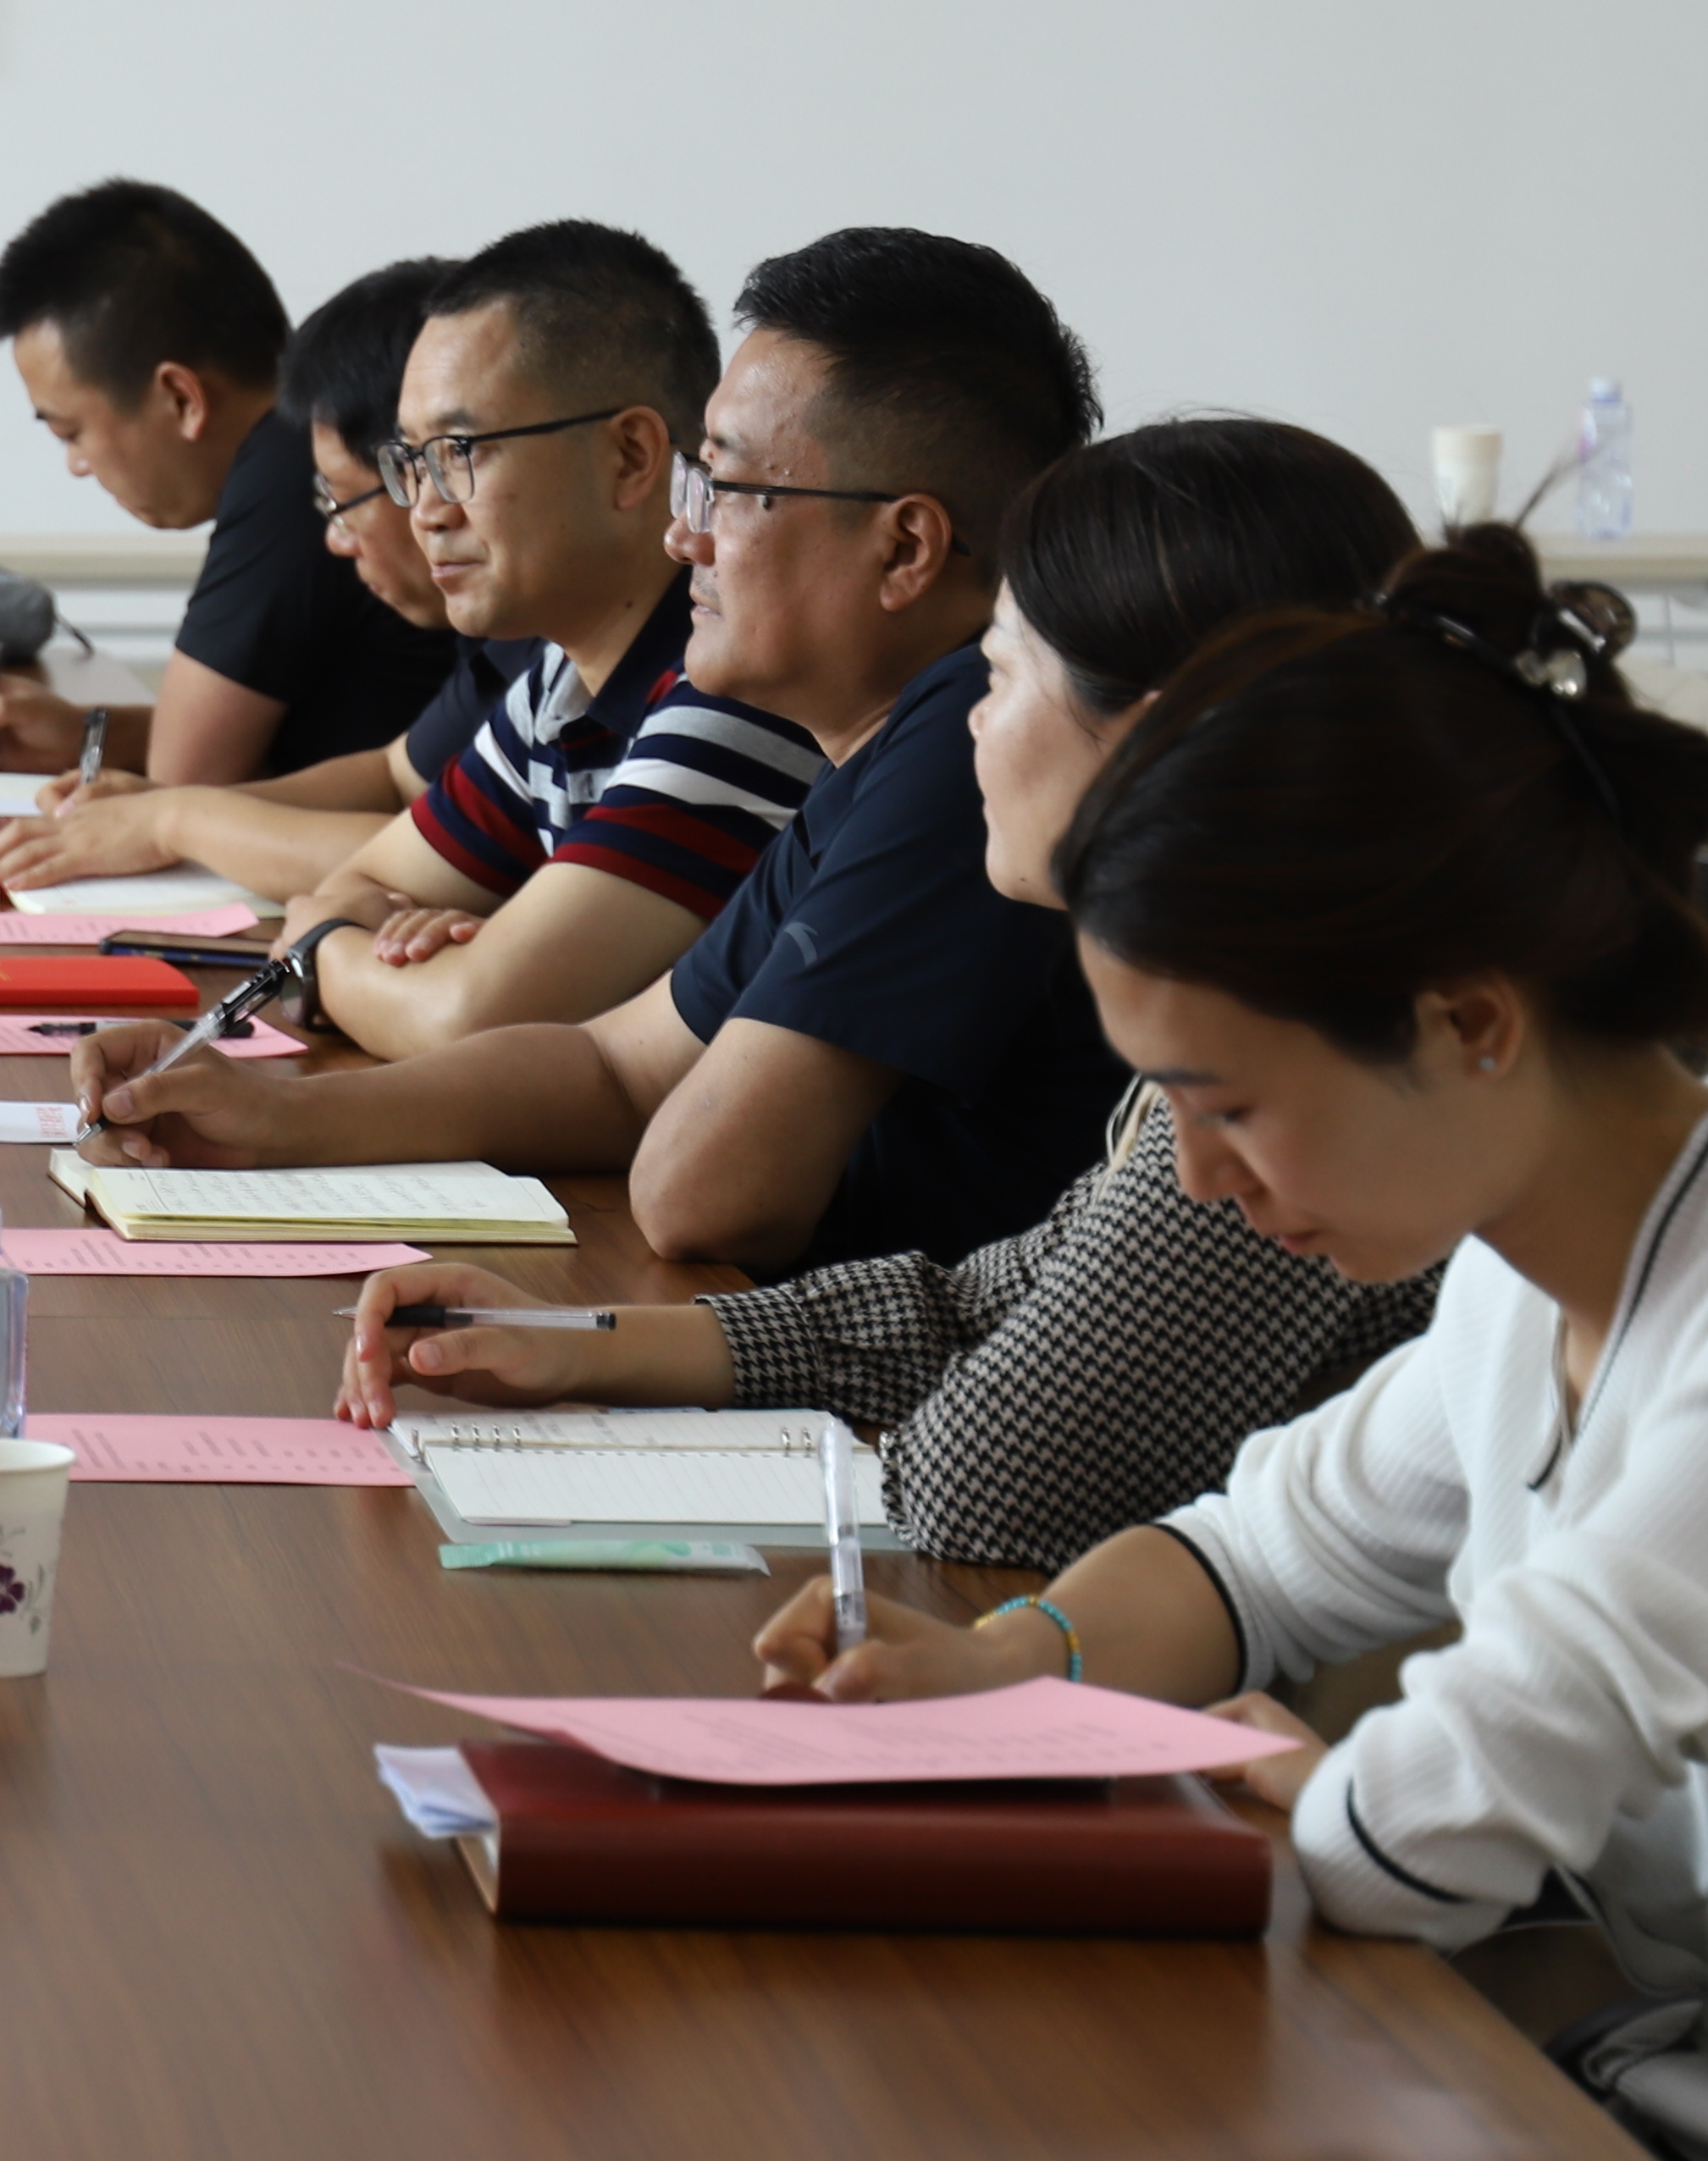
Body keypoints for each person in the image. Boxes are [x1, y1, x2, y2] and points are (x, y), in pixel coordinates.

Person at [749, 531, 1708, 2161]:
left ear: (1470, 1022)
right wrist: (1007, 1666)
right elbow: (1249, 1557)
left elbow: (1433, 1823)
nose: (1196, 1174)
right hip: (1666, 2133)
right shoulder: (1527, 1266)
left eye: (1230, 1102)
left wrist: (1322, 1793)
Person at [342, 417, 1441, 1567]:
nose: (971, 719)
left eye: (999, 676)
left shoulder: (1292, 1067)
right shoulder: (1257, 996)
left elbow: (988, 1481)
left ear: (1153, 740)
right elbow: (982, 1303)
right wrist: (588, 1342)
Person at [78, 227, 1116, 1268]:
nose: (684, 534)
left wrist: (338, 949)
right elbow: (617, 1068)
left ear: (905, 546)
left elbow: (699, 1193)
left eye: (726, 488)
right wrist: (263, 1116)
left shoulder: (964, 742)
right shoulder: (869, 752)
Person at [272, 222, 821, 1057]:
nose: (427, 509)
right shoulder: (559, 681)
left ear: (631, 457)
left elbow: (465, 1021)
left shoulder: (733, 694)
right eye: (413, 460)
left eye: (460, 451)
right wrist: (409, 953)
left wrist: (319, 952)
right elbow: (363, 882)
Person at [0, 258, 511, 905]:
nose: (436, 509)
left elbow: (454, 858)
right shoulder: (513, 647)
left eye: (452, 461)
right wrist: (163, 807)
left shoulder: (280, 470)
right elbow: (396, 775)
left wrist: (176, 818)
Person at [0, 180, 458, 791]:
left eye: (71, 432)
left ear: (182, 398)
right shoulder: (295, 449)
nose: (77, 465)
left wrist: (127, 776)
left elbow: (184, 779)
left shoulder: (289, 471)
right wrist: (85, 736)